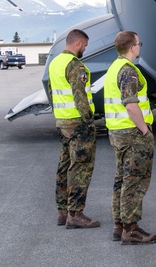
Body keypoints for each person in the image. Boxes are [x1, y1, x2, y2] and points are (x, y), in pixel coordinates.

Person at [104, 30, 156, 244]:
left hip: (117, 132)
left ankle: (119, 224)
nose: (140, 46)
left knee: (122, 179)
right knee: (135, 180)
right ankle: (131, 228)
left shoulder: (113, 68)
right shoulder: (128, 71)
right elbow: (131, 104)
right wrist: (145, 130)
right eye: (139, 42)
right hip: (132, 133)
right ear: (132, 46)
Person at [50, 28, 100, 229]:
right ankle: (76, 214)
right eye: (85, 46)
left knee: (64, 167)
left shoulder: (55, 63)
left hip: (62, 122)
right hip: (78, 124)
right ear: (78, 43)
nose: (85, 50)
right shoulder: (75, 66)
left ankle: (62, 211)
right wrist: (89, 121)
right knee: (80, 168)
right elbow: (80, 99)